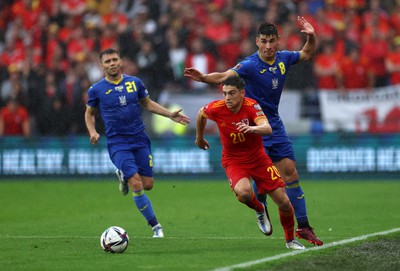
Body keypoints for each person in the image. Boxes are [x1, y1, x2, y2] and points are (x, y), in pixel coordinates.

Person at [185, 16, 323, 246]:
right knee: (257, 178)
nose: (268, 46)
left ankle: (304, 226)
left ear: (278, 41)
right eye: (264, 41)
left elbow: (307, 54)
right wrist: (203, 78)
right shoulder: (249, 65)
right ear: (257, 42)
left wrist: (311, 36)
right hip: (251, 125)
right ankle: (261, 205)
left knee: (291, 173)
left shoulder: (284, 59)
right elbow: (224, 77)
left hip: (274, 125)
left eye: (272, 41)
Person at [85, 48, 190, 238]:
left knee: (147, 184)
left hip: (139, 139)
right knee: (136, 183)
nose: (112, 64)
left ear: (121, 61)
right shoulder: (96, 89)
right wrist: (93, 131)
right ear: (101, 66)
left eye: (115, 59)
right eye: (107, 61)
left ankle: (123, 175)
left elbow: (147, 103)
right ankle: (156, 226)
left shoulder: (135, 83)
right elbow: (89, 113)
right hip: (118, 142)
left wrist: (170, 114)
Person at [195, 76, 304, 250]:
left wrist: (252, 128)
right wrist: (199, 137)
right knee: (244, 193)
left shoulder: (251, 106)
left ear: (242, 93)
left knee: (283, 201)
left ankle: (290, 241)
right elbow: (201, 114)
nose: (227, 98)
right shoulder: (217, 107)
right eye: (224, 93)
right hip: (234, 160)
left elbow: (267, 128)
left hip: (258, 158)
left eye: (232, 93)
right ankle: (260, 209)